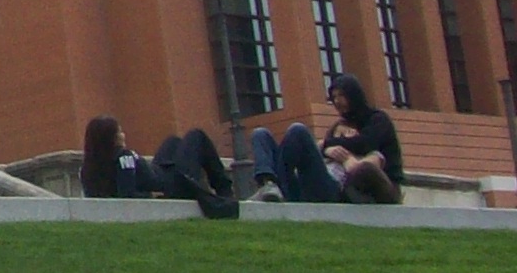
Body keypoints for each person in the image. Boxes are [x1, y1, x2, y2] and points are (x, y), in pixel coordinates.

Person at [250, 75, 404, 204]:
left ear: (354, 96)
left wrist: (327, 146)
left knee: (298, 131)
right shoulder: (338, 125)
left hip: (342, 187)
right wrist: (326, 148)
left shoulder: (377, 120)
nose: (337, 101)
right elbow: (322, 151)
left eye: (341, 95)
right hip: (315, 180)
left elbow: (365, 143)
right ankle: (269, 184)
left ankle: (280, 187)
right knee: (260, 134)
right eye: (334, 97)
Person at [79, 115, 237, 213]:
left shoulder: (89, 167)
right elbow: (127, 195)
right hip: (173, 184)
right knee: (197, 136)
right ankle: (224, 189)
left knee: (173, 141)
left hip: (160, 172)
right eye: (119, 132)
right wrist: (151, 196)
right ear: (111, 138)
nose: (123, 135)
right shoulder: (124, 158)